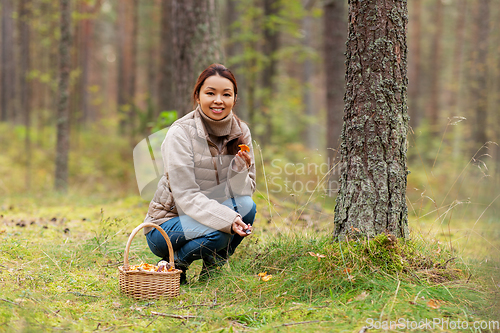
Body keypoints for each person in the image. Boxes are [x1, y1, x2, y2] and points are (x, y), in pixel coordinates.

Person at [143, 64, 256, 284]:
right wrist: (227, 218)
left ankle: (211, 275)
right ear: (198, 96)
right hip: (167, 225)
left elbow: (247, 191)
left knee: (247, 207)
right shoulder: (181, 133)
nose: (218, 101)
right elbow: (186, 197)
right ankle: (175, 266)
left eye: (226, 94)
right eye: (210, 93)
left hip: (206, 215)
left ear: (234, 99)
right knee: (221, 231)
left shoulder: (241, 132)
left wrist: (239, 171)